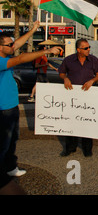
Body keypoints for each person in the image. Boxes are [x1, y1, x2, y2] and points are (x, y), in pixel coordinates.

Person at [0, 21, 62, 194]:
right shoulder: (0, 60)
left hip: (11, 105)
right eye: (9, 44)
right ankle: (2, 177)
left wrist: (33, 30)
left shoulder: (4, 52)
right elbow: (19, 58)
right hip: (3, 108)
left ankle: (11, 166)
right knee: (3, 143)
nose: (13, 46)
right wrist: (47, 51)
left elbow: (17, 44)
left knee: (12, 139)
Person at [58, 38, 98, 157]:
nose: (89, 49)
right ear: (78, 50)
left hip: (88, 96)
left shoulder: (93, 60)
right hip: (72, 96)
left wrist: (92, 81)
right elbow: (61, 73)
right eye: (86, 48)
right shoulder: (68, 60)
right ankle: (70, 148)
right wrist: (65, 78)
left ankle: (87, 149)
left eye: (89, 47)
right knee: (71, 122)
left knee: (87, 123)